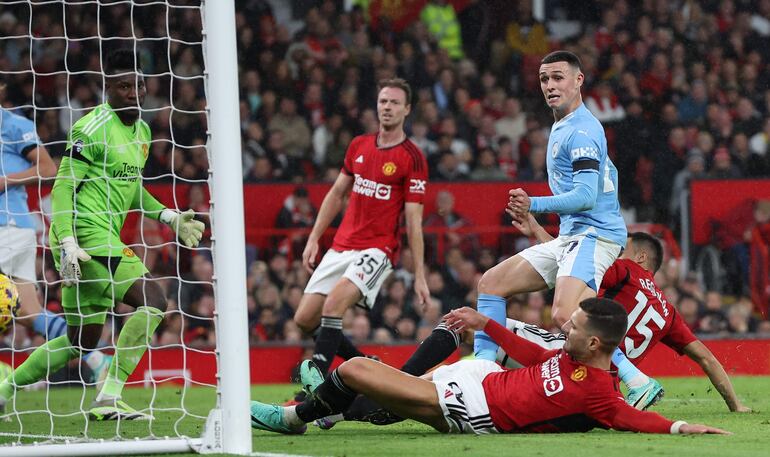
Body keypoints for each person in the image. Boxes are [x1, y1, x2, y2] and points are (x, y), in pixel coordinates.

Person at [0, 49, 205, 420]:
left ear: (145, 88)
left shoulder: (142, 131)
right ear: (107, 89)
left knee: (81, 342)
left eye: (136, 86)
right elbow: (62, 187)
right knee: (155, 300)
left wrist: (169, 216)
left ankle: (3, 390)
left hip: (96, 241)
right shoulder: (90, 127)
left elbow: (132, 188)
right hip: (85, 237)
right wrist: (65, 240)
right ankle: (109, 395)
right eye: (122, 86)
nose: (131, 93)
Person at [250, 298, 729, 436]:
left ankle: (296, 417)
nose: (566, 328)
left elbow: (635, 418)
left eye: (576, 326)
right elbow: (536, 355)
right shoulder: (569, 357)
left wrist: (685, 427)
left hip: (474, 410)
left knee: (356, 369)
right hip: (483, 378)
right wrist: (485, 323)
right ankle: (329, 408)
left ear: (597, 341)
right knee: (387, 387)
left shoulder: (598, 392)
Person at [473, 51, 656, 408]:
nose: (550, 86)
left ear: (578, 80)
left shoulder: (584, 129)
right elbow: (604, 178)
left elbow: (586, 196)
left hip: (594, 234)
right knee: (491, 283)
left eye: (558, 77)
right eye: (544, 79)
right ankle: (483, 370)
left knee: (563, 313)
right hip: (574, 236)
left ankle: (635, 379)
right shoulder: (566, 125)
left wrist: (534, 205)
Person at [493, 216, 750, 412]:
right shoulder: (668, 313)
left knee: (486, 328)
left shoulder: (626, 271)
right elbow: (707, 360)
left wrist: (538, 231)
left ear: (640, 257)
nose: (616, 253)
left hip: (574, 358)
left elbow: (571, 265)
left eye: (622, 249)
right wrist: (735, 405)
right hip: (604, 388)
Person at [293, 78, 431, 376]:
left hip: (377, 250)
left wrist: (419, 275)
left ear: (407, 109)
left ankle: (315, 383)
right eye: (383, 101)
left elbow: (413, 220)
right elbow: (336, 194)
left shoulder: (412, 158)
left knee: (333, 306)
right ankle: (363, 364)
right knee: (304, 320)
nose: (387, 107)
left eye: (394, 102)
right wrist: (315, 237)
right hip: (342, 245)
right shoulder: (359, 145)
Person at [0, 77, 113, 383]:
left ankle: (2, 375)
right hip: (14, 231)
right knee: (29, 312)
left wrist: (6, 181)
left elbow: (48, 168)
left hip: (7, 224)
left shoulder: (11, 124)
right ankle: (98, 358)